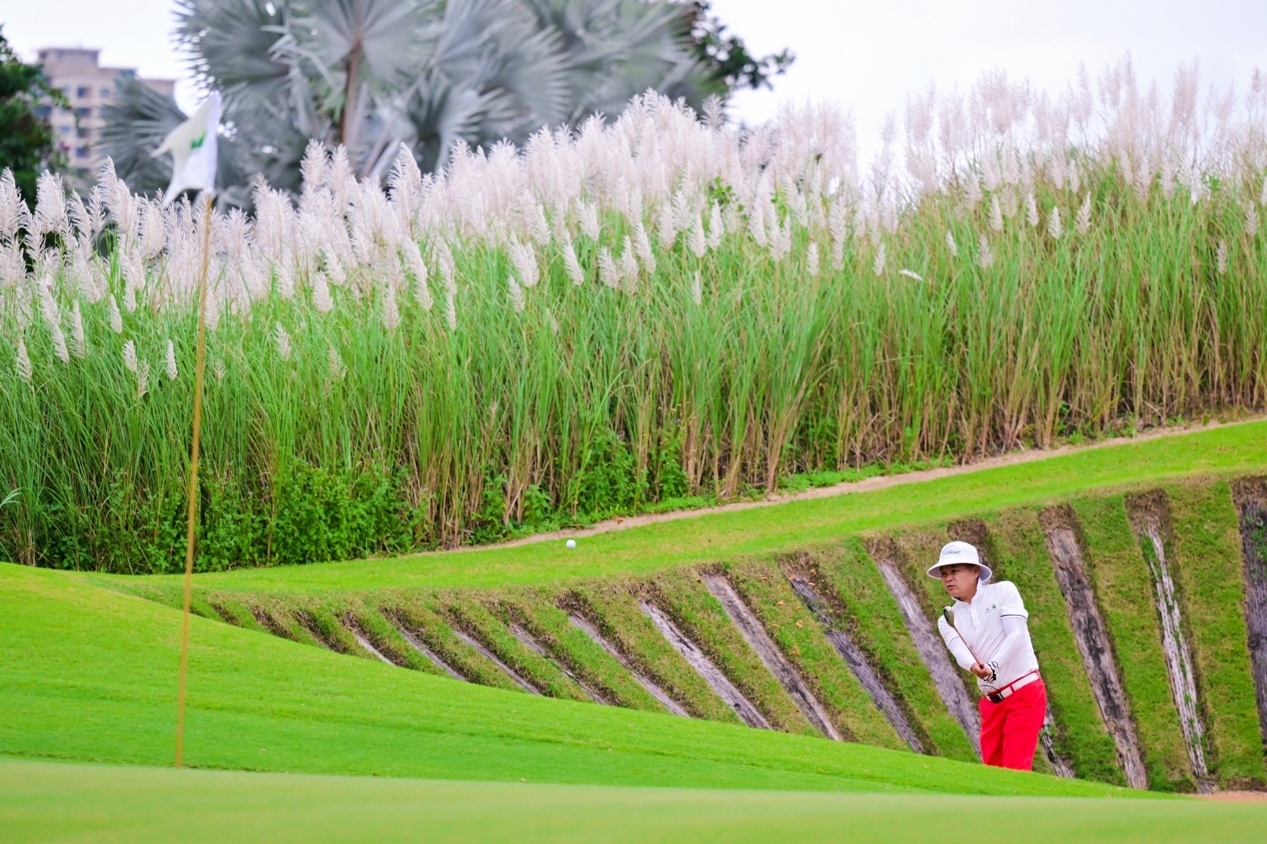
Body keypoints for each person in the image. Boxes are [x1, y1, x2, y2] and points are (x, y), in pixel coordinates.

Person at [930, 540, 1046, 771]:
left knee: (1015, 770)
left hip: (1023, 691)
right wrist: (974, 667)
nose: (948, 578)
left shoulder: (1003, 591)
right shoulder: (947, 618)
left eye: (954, 571)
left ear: (975, 571)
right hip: (991, 703)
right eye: (944, 574)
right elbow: (960, 652)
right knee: (992, 772)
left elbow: (1016, 636)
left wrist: (993, 665)